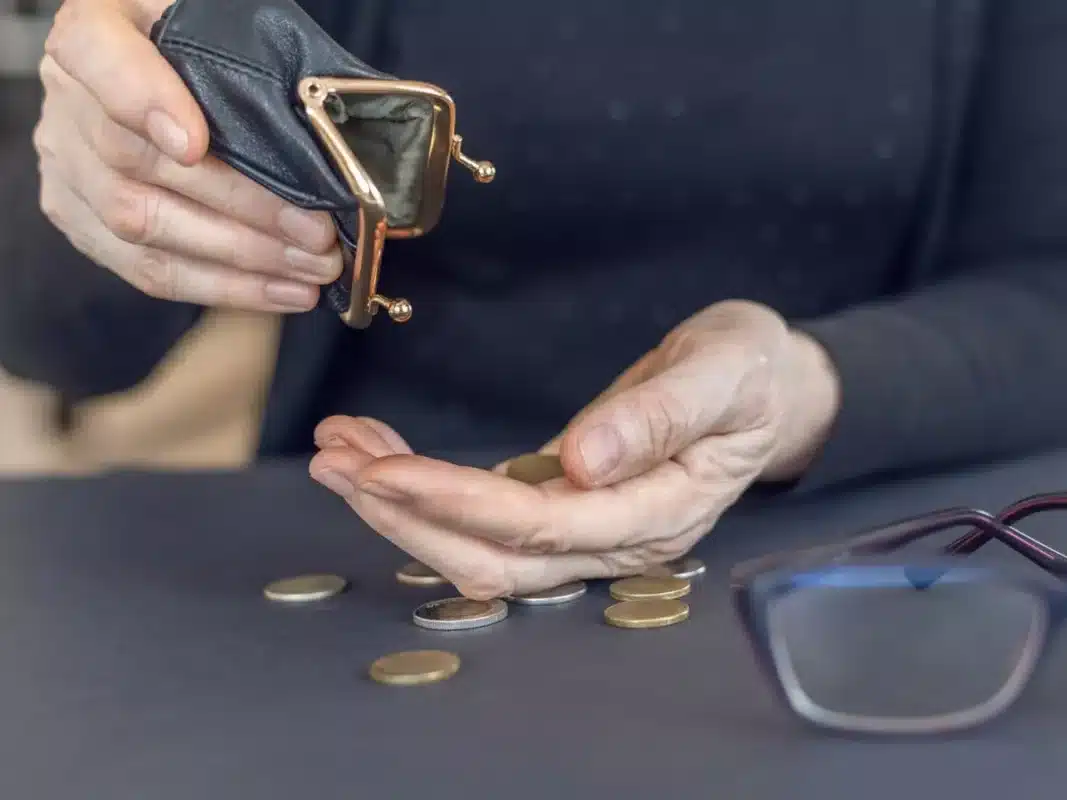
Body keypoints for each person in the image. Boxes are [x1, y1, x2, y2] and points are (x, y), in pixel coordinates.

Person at [5, 0, 1067, 598]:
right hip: (366, 557)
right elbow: (63, 335)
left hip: (861, 566)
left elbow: (1044, 289)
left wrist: (805, 390)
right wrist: (114, 156)